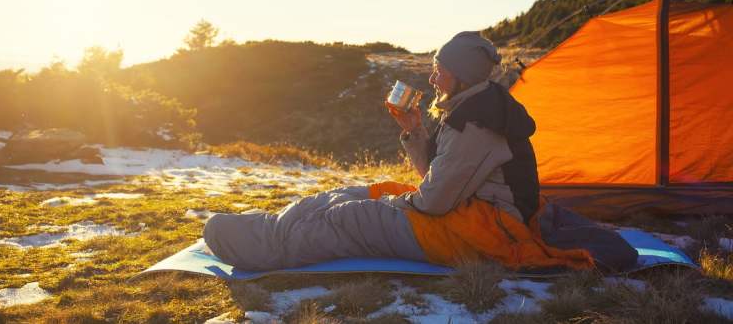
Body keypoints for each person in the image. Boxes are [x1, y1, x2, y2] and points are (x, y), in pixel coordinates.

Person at [202, 32, 597, 271]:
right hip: (467, 213)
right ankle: (273, 226)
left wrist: (398, 203)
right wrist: (415, 131)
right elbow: (440, 180)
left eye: (439, 69)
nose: (431, 77)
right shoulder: (471, 105)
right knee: (354, 193)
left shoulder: (476, 122)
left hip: (484, 231)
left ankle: (269, 248)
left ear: (460, 76)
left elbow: (435, 201)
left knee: (349, 218)